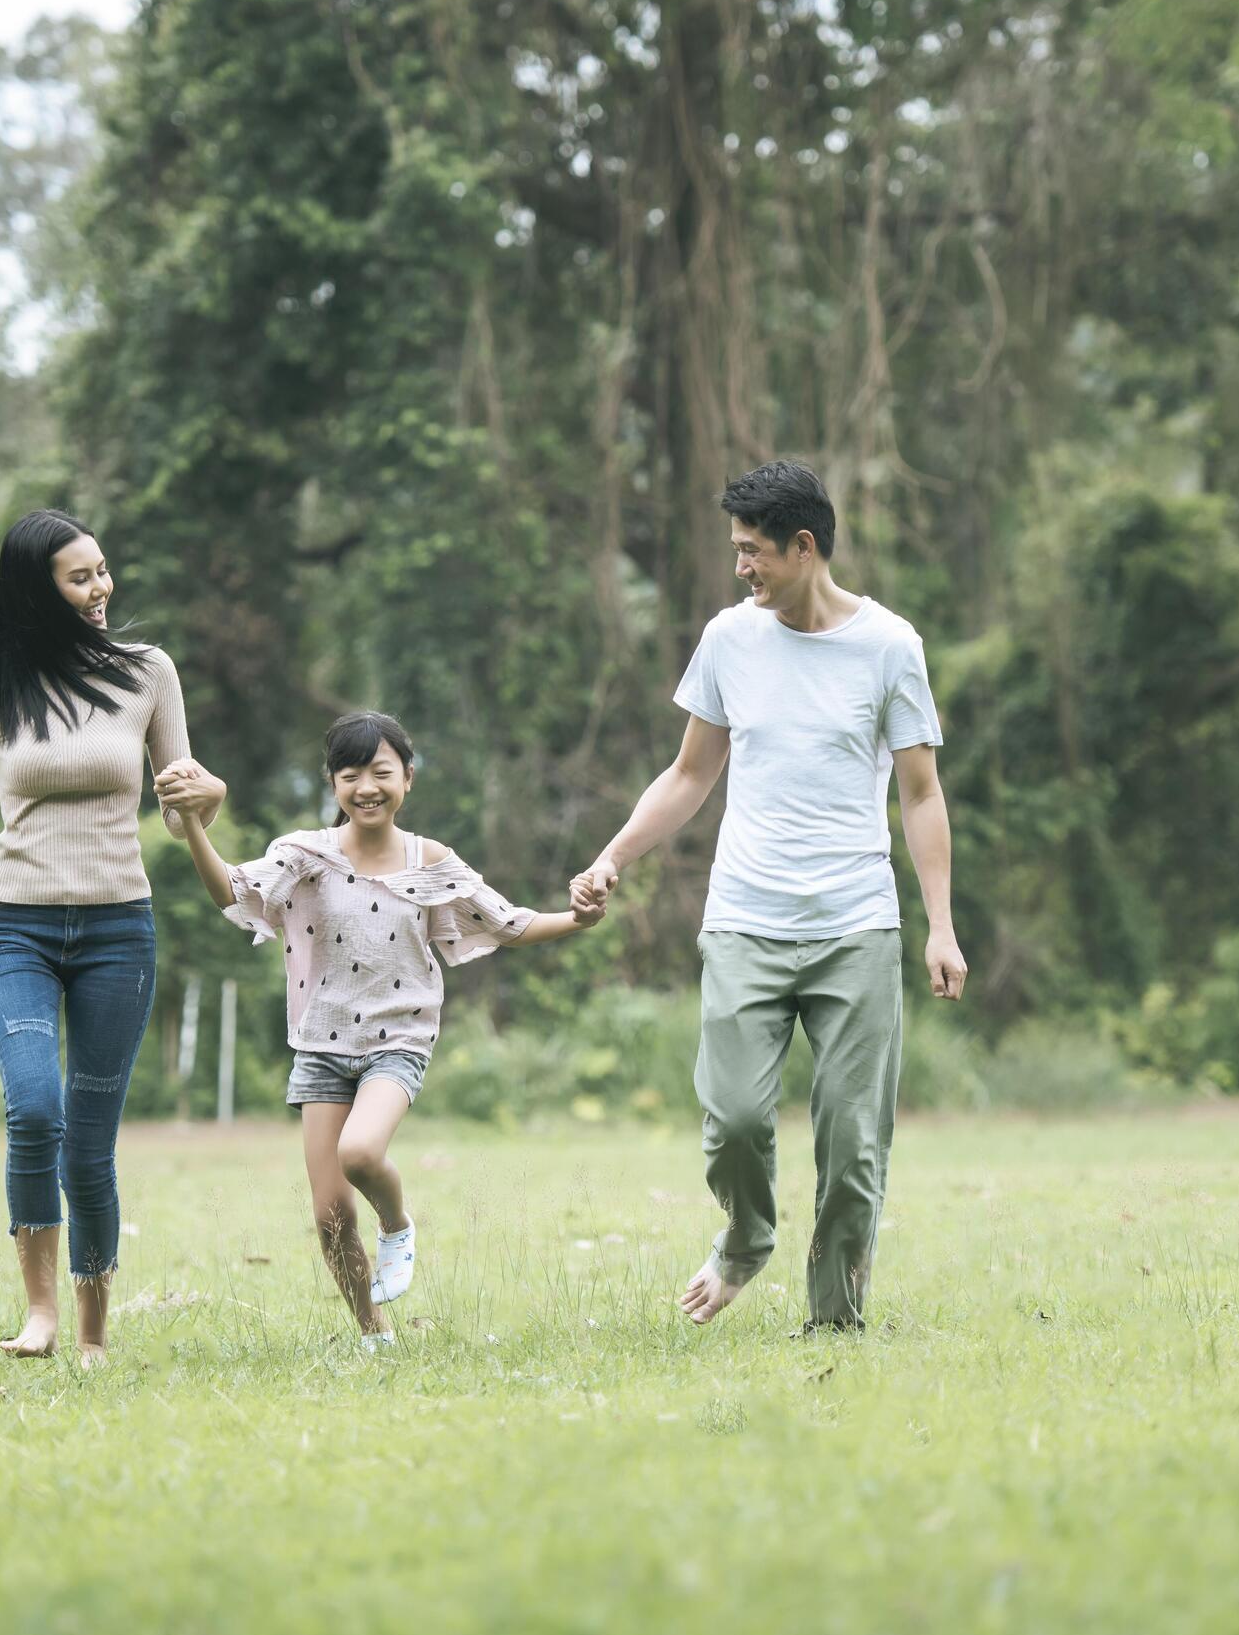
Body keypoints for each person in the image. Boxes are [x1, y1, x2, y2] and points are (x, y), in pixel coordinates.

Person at [572, 461, 964, 1331]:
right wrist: (613, 858)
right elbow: (688, 774)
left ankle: (835, 1318)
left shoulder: (890, 646)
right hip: (747, 918)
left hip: (856, 925)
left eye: (753, 552)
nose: (741, 568)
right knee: (737, 1119)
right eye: (735, 551)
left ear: (804, 546)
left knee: (852, 1141)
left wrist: (940, 927)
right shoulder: (728, 638)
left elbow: (921, 793)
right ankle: (748, 1237)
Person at [155, 712, 603, 1348]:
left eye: (381, 772)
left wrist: (576, 921)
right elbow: (232, 890)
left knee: (361, 1153)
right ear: (333, 785)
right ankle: (373, 1332)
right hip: (321, 1044)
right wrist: (194, 824)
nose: (367, 786)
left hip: (399, 1041)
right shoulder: (306, 855)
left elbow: (505, 921)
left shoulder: (430, 861)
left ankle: (397, 1223)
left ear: (408, 779)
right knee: (330, 1215)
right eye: (351, 774)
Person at [0, 509, 206, 1365]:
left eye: (103, 571)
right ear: (37, 591)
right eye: (81, 578)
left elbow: (182, 790)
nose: (102, 589)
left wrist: (207, 795)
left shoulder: (148, 672)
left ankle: (90, 1333)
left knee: (90, 1137)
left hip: (120, 926)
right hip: (17, 927)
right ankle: (38, 1312)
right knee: (34, 1104)